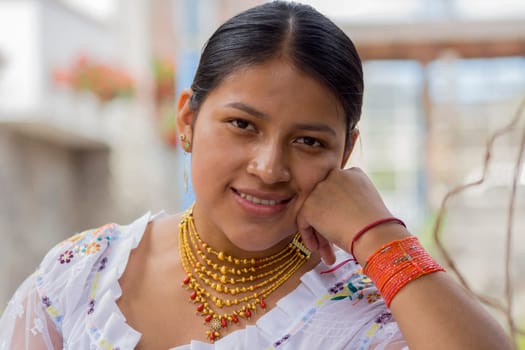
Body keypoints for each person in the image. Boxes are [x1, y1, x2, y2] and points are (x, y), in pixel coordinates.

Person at [0, 1, 513, 349]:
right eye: (242, 125)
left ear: (346, 152)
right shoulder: (82, 277)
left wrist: (378, 232)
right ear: (187, 120)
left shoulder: (373, 310)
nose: (269, 167)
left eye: (309, 141)